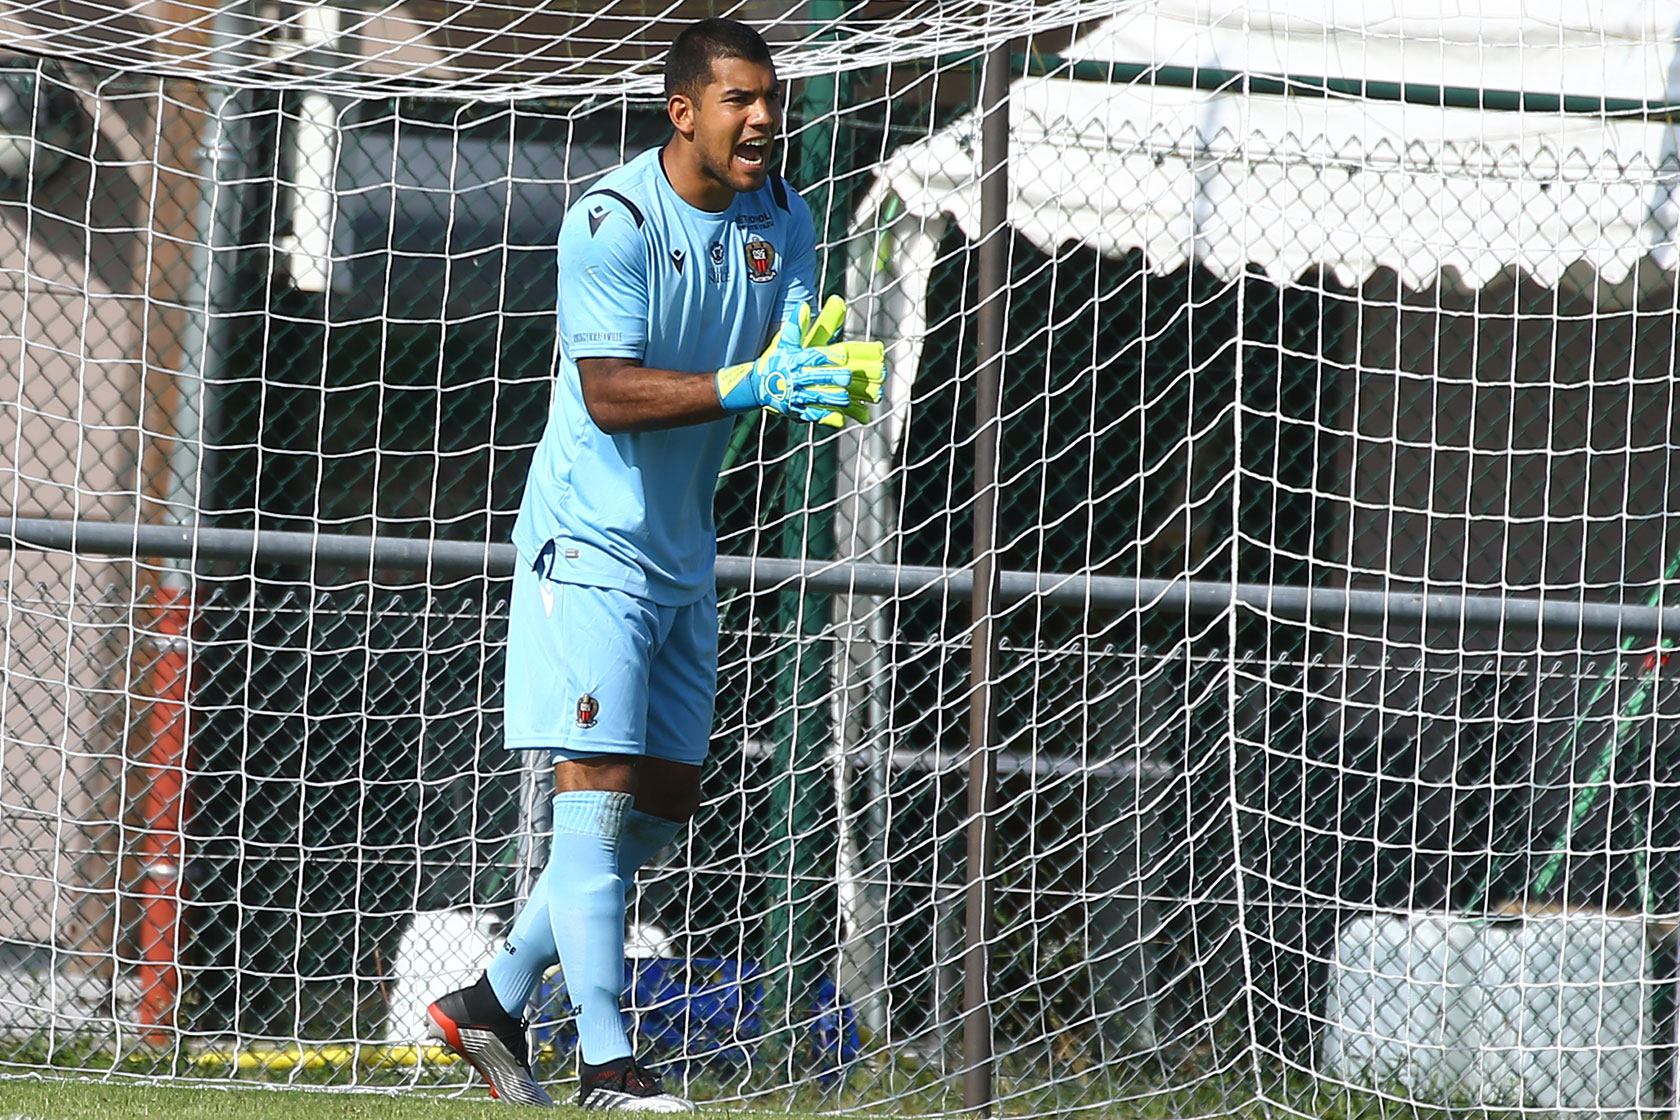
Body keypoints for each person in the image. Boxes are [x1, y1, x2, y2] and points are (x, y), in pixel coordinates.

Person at [423, 17, 883, 1113]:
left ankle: (490, 999)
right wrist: (749, 384)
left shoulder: (784, 214)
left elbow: (787, 342)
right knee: (596, 802)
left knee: (660, 806)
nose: (764, 119)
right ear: (683, 113)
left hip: (683, 551)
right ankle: (607, 1067)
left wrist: (809, 369)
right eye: (740, 100)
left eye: (771, 99)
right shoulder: (613, 218)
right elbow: (608, 393)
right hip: (588, 546)